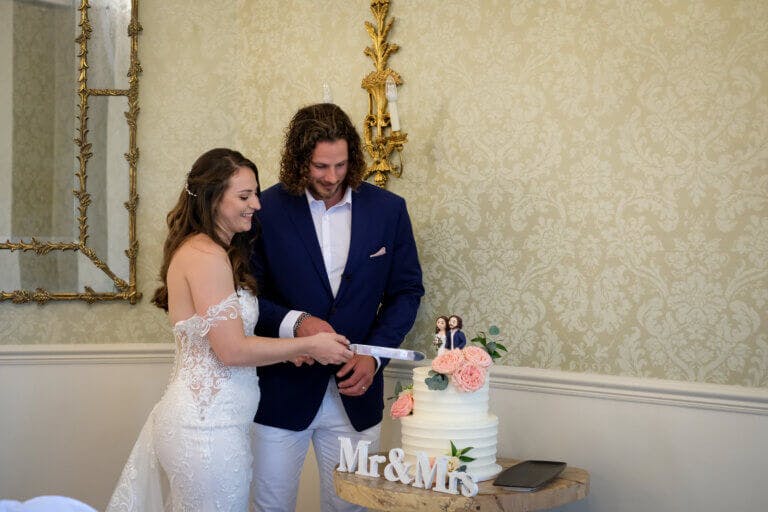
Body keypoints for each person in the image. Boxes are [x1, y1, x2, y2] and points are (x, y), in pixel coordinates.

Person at [105, 148, 352, 511]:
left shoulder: (214, 252)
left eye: (255, 193)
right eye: (244, 196)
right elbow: (231, 350)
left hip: (219, 425)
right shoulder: (205, 256)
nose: (257, 204)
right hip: (205, 429)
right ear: (212, 198)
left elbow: (231, 342)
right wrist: (311, 345)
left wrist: (295, 350)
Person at [249, 103, 424, 512]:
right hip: (280, 391)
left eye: (341, 165)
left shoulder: (389, 210)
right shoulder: (264, 210)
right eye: (320, 166)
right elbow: (245, 297)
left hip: (357, 392)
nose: (331, 177)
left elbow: (407, 291)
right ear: (298, 160)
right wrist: (298, 323)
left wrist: (374, 357)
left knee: (353, 507)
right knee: (270, 504)